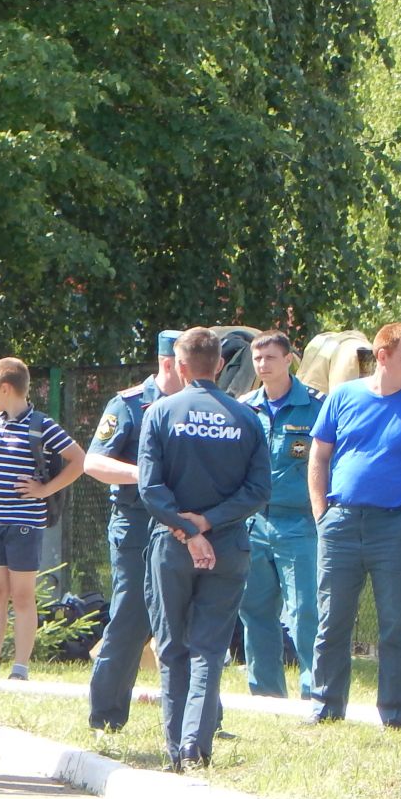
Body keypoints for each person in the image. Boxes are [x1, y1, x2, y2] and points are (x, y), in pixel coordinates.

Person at [304, 323, 401, 728]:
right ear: (382, 357)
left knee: (397, 624)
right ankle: (326, 706)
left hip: (393, 528)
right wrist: (321, 514)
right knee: (333, 619)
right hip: (341, 524)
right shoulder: (343, 397)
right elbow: (318, 457)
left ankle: (396, 714)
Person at [138, 327, 269, 769]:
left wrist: (186, 529)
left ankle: (175, 748)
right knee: (209, 648)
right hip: (228, 546)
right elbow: (258, 491)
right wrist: (209, 524)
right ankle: (197, 744)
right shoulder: (247, 418)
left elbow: (150, 489)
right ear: (218, 366)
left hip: (172, 547)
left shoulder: (160, 413)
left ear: (177, 365)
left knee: (172, 646)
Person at [83, 330, 183, 739]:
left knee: (187, 620)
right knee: (130, 616)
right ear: (168, 363)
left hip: (179, 524)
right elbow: (93, 462)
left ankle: (200, 718)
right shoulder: (128, 405)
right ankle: (106, 714)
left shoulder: (195, 407)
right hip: (136, 523)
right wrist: (142, 474)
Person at [0, 356, 83, 681]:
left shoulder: (42, 425)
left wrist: (45, 489)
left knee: (22, 595)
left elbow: (79, 460)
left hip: (24, 522)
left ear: (6, 389)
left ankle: (20, 667)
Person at [238, 331, 324, 700]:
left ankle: (315, 692)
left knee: (305, 611)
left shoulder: (316, 406)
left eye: (270, 358)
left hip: (299, 522)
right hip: (253, 522)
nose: (263, 365)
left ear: (289, 359)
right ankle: (266, 695)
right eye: (257, 359)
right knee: (255, 611)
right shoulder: (245, 407)